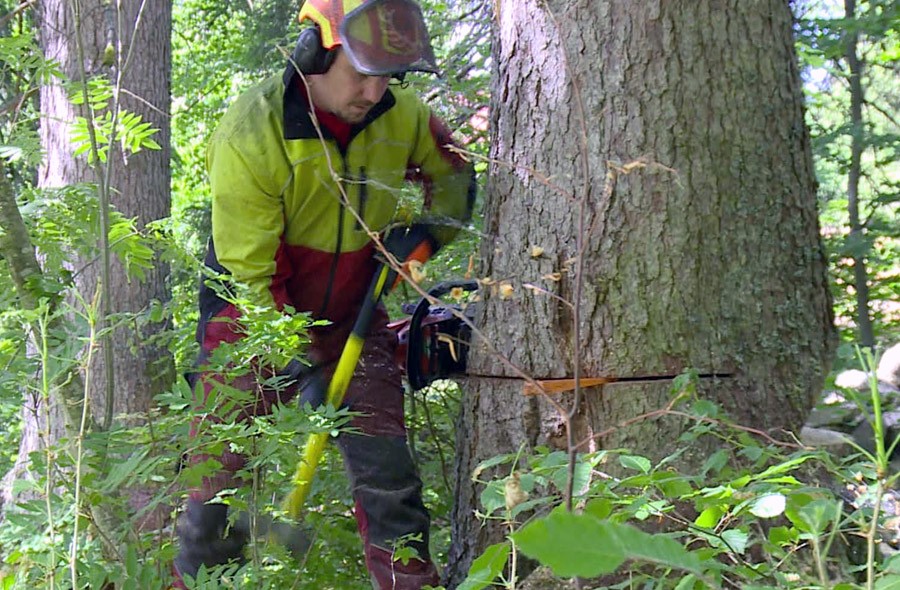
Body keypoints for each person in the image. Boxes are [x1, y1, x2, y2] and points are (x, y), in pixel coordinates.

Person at [173, 0, 476, 587]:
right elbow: (251, 277)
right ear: (316, 52)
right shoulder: (253, 132)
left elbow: (456, 179)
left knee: (391, 483)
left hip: (351, 316)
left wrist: (418, 246)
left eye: (388, 74)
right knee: (212, 490)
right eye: (361, 72)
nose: (375, 89)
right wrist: (299, 363)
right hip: (251, 317)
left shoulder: (403, 116)